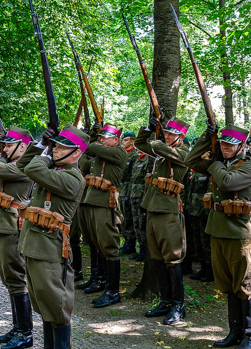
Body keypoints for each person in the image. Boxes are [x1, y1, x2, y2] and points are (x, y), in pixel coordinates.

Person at [17, 123, 89, 349]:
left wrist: (45, 152)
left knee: (58, 312)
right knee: (46, 310)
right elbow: (25, 164)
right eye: (55, 145)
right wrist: (40, 145)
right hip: (35, 248)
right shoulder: (56, 169)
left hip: (51, 251)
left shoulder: (73, 178)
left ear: (75, 154)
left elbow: (33, 169)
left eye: (61, 147)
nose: (56, 149)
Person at [186, 125, 251, 349]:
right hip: (218, 229)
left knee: (245, 284)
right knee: (228, 284)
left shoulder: (250, 165)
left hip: (239, 232)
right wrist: (206, 138)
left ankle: (250, 335)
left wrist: (215, 161)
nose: (224, 148)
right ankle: (234, 331)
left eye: (229, 145)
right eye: (222, 144)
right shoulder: (221, 163)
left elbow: (227, 183)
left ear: (241, 146)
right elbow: (191, 159)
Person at [135, 117, 190, 325]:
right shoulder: (163, 148)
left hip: (169, 210)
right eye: (165, 133)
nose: (167, 136)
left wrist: (157, 140)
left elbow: (163, 150)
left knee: (172, 258)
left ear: (181, 136)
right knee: (157, 257)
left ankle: (178, 304)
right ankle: (166, 300)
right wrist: (148, 128)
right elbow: (140, 144)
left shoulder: (183, 153)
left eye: (172, 134)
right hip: (152, 207)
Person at [0, 126, 34, 349]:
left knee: (15, 277)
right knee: (8, 276)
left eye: (8, 144)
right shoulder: (12, 163)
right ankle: (17, 328)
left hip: (12, 226)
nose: (4, 148)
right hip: (2, 223)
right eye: (3, 144)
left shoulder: (23, 166)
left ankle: (25, 332)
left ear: (23, 147)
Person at [78, 123, 128, 308]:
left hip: (105, 204)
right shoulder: (100, 156)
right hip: (91, 200)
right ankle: (98, 280)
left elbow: (91, 147)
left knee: (108, 245)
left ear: (116, 140)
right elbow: (84, 164)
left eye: (106, 137)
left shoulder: (119, 152)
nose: (102, 140)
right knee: (94, 242)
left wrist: (91, 137)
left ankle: (112, 291)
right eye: (101, 137)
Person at [119, 131, 138, 256]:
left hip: (128, 190)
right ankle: (126, 241)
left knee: (129, 219)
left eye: (125, 140)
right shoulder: (123, 154)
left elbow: (133, 177)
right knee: (123, 218)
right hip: (121, 189)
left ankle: (130, 243)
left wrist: (129, 194)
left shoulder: (134, 156)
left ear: (132, 141)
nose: (122, 142)